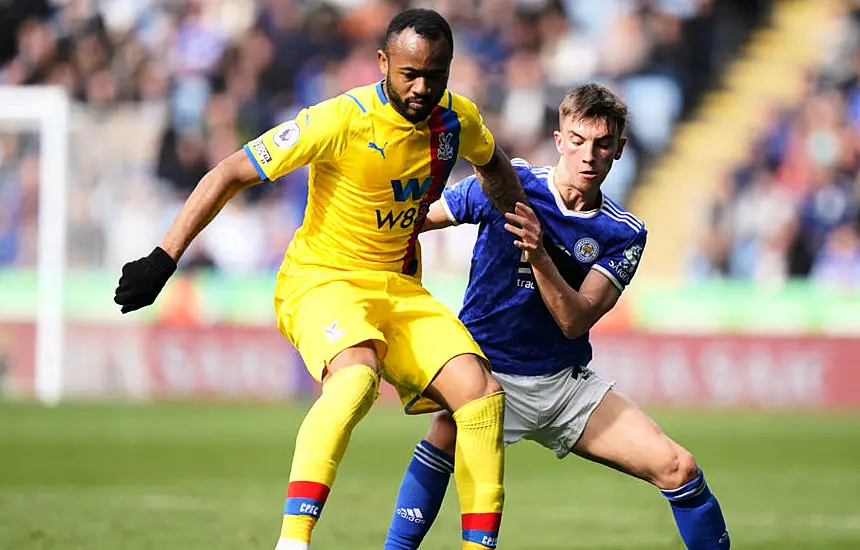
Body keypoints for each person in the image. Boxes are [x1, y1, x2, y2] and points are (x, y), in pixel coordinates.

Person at [113, 9, 528, 550]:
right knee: (355, 379)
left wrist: (521, 222)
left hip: (398, 288)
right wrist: (163, 259)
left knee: (481, 395)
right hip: (322, 281)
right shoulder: (339, 118)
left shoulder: (457, 119)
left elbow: (493, 162)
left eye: (436, 74)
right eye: (409, 73)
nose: (423, 87)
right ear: (383, 63)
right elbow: (231, 171)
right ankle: (294, 541)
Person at [383, 84, 730, 550]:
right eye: (579, 140)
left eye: (603, 144)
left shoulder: (623, 232)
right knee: (443, 434)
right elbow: (419, 219)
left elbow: (575, 320)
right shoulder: (510, 184)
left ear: (619, 150)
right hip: (488, 377)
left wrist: (540, 252)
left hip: (564, 388)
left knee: (679, 468)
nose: (589, 155)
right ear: (560, 139)